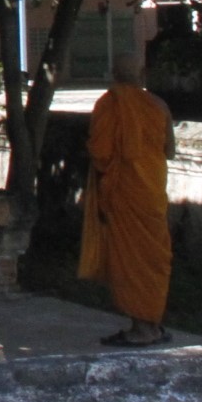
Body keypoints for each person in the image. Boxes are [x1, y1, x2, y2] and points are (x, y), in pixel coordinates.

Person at [79, 46, 175, 347]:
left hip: (124, 196)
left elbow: (100, 154)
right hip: (149, 196)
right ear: (142, 75)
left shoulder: (108, 105)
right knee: (152, 260)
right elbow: (170, 150)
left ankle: (142, 330)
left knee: (130, 262)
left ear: (113, 75)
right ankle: (153, 326)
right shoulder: (158, 106)